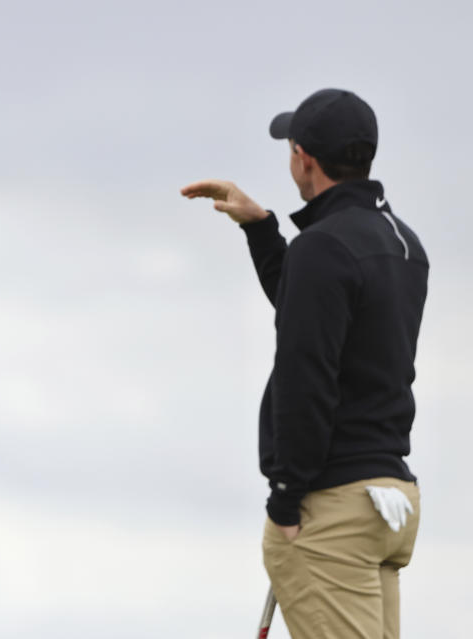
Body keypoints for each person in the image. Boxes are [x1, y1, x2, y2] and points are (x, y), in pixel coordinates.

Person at [181, 89, 428, 638]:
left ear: (303, 159)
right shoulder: (402, 244)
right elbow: (314, 313)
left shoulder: (324, 247)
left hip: (330, 509)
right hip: (388, 502)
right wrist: (261, 227)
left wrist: (286, 501)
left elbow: (305, 375)